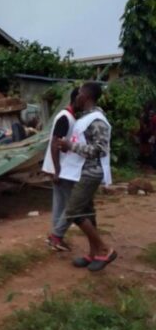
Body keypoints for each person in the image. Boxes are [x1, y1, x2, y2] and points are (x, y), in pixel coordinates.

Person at [53, 82, 116, 271]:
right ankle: (93, 253)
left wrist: (70, 146)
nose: (76, 96)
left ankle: (105, 249)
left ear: (86, 97)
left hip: (91, 172)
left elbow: (100, 150)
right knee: (88, 213)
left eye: (79, 93)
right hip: (80, 171)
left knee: (73, 211)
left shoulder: (97, 120)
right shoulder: (85, 118)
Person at [42, 87, 79, 251]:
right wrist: (57, 170)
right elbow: (55, 143)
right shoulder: (65, 117)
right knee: (73, 205)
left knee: (60, 203)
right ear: (77, 99)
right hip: (61, 169)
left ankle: (56, 237)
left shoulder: (69, 117)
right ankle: (57, 236)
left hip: (61, 168)